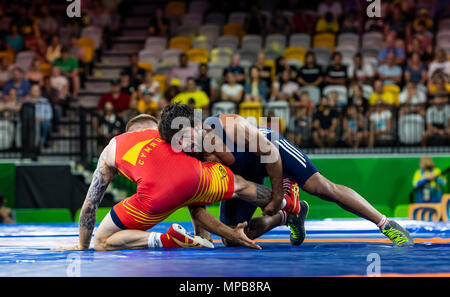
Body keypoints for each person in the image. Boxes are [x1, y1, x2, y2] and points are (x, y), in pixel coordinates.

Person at [158, 104, 415, 247]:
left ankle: (386, 224)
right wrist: (201, 235)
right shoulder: (188, 155)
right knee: (232, 239)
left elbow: (271, 154)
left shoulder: (230, 125)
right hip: (243, 178)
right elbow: (195, 199)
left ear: (197, 125)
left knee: (321, 187)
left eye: (186, 136)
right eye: (177, 142)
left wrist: (278, 192)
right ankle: (288, 215)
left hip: (271, 151)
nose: (184, 145)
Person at [55, 114, 294, 251]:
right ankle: (287, 204)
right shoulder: (174, 139)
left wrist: (83, 246)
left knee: (102, 241)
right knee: (242, 185)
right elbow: (194, 199)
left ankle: (164, 239)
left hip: (156, 196)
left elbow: (90, 206)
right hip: (200, 176)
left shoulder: (114, 147)